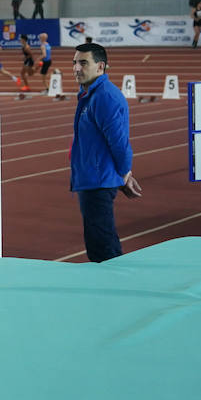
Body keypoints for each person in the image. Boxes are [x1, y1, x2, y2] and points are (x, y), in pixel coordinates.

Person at [70, 42, 140, 263]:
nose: (76, 68)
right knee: (98, 243)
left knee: (103, 248)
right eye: (74, 63)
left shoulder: (104, 97)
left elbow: (119, 143)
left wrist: (124, 174)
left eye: (83, 63)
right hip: (92, 178)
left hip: (98, 181)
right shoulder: (89, 94)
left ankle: (117, 289)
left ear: (100, 67)